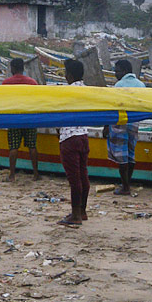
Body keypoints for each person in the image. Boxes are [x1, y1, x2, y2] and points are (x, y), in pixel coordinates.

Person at [104, 59, 152, 196]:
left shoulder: (119, 85)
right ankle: (127, 183)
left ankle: (125, 187)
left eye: (117, 71)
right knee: (130, 154)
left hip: (120, 124)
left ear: (124, 71)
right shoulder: (141, 85)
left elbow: (112, 107)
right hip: (134, 123)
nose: (115, 74)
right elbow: (150, 104)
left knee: (121, 156)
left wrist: (106, 125)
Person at [57, 58, 90, 227]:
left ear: (69, 75)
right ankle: (82, 211)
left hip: (69, 137)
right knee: (83, 175)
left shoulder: (66, 91)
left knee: (74, 179)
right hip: (83, 135)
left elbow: (58, 112)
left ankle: (75, 214)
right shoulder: (87, 90)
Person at [1, 58, 40, 181]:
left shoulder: (6, 83)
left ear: (12, 68)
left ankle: (12, 175)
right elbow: (37, 100)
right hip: (29, 118)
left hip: (14, 118)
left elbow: (2, 101)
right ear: (23, 68)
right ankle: (36, 174)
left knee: (13, 147)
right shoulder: (32, 83)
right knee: (32, 146)